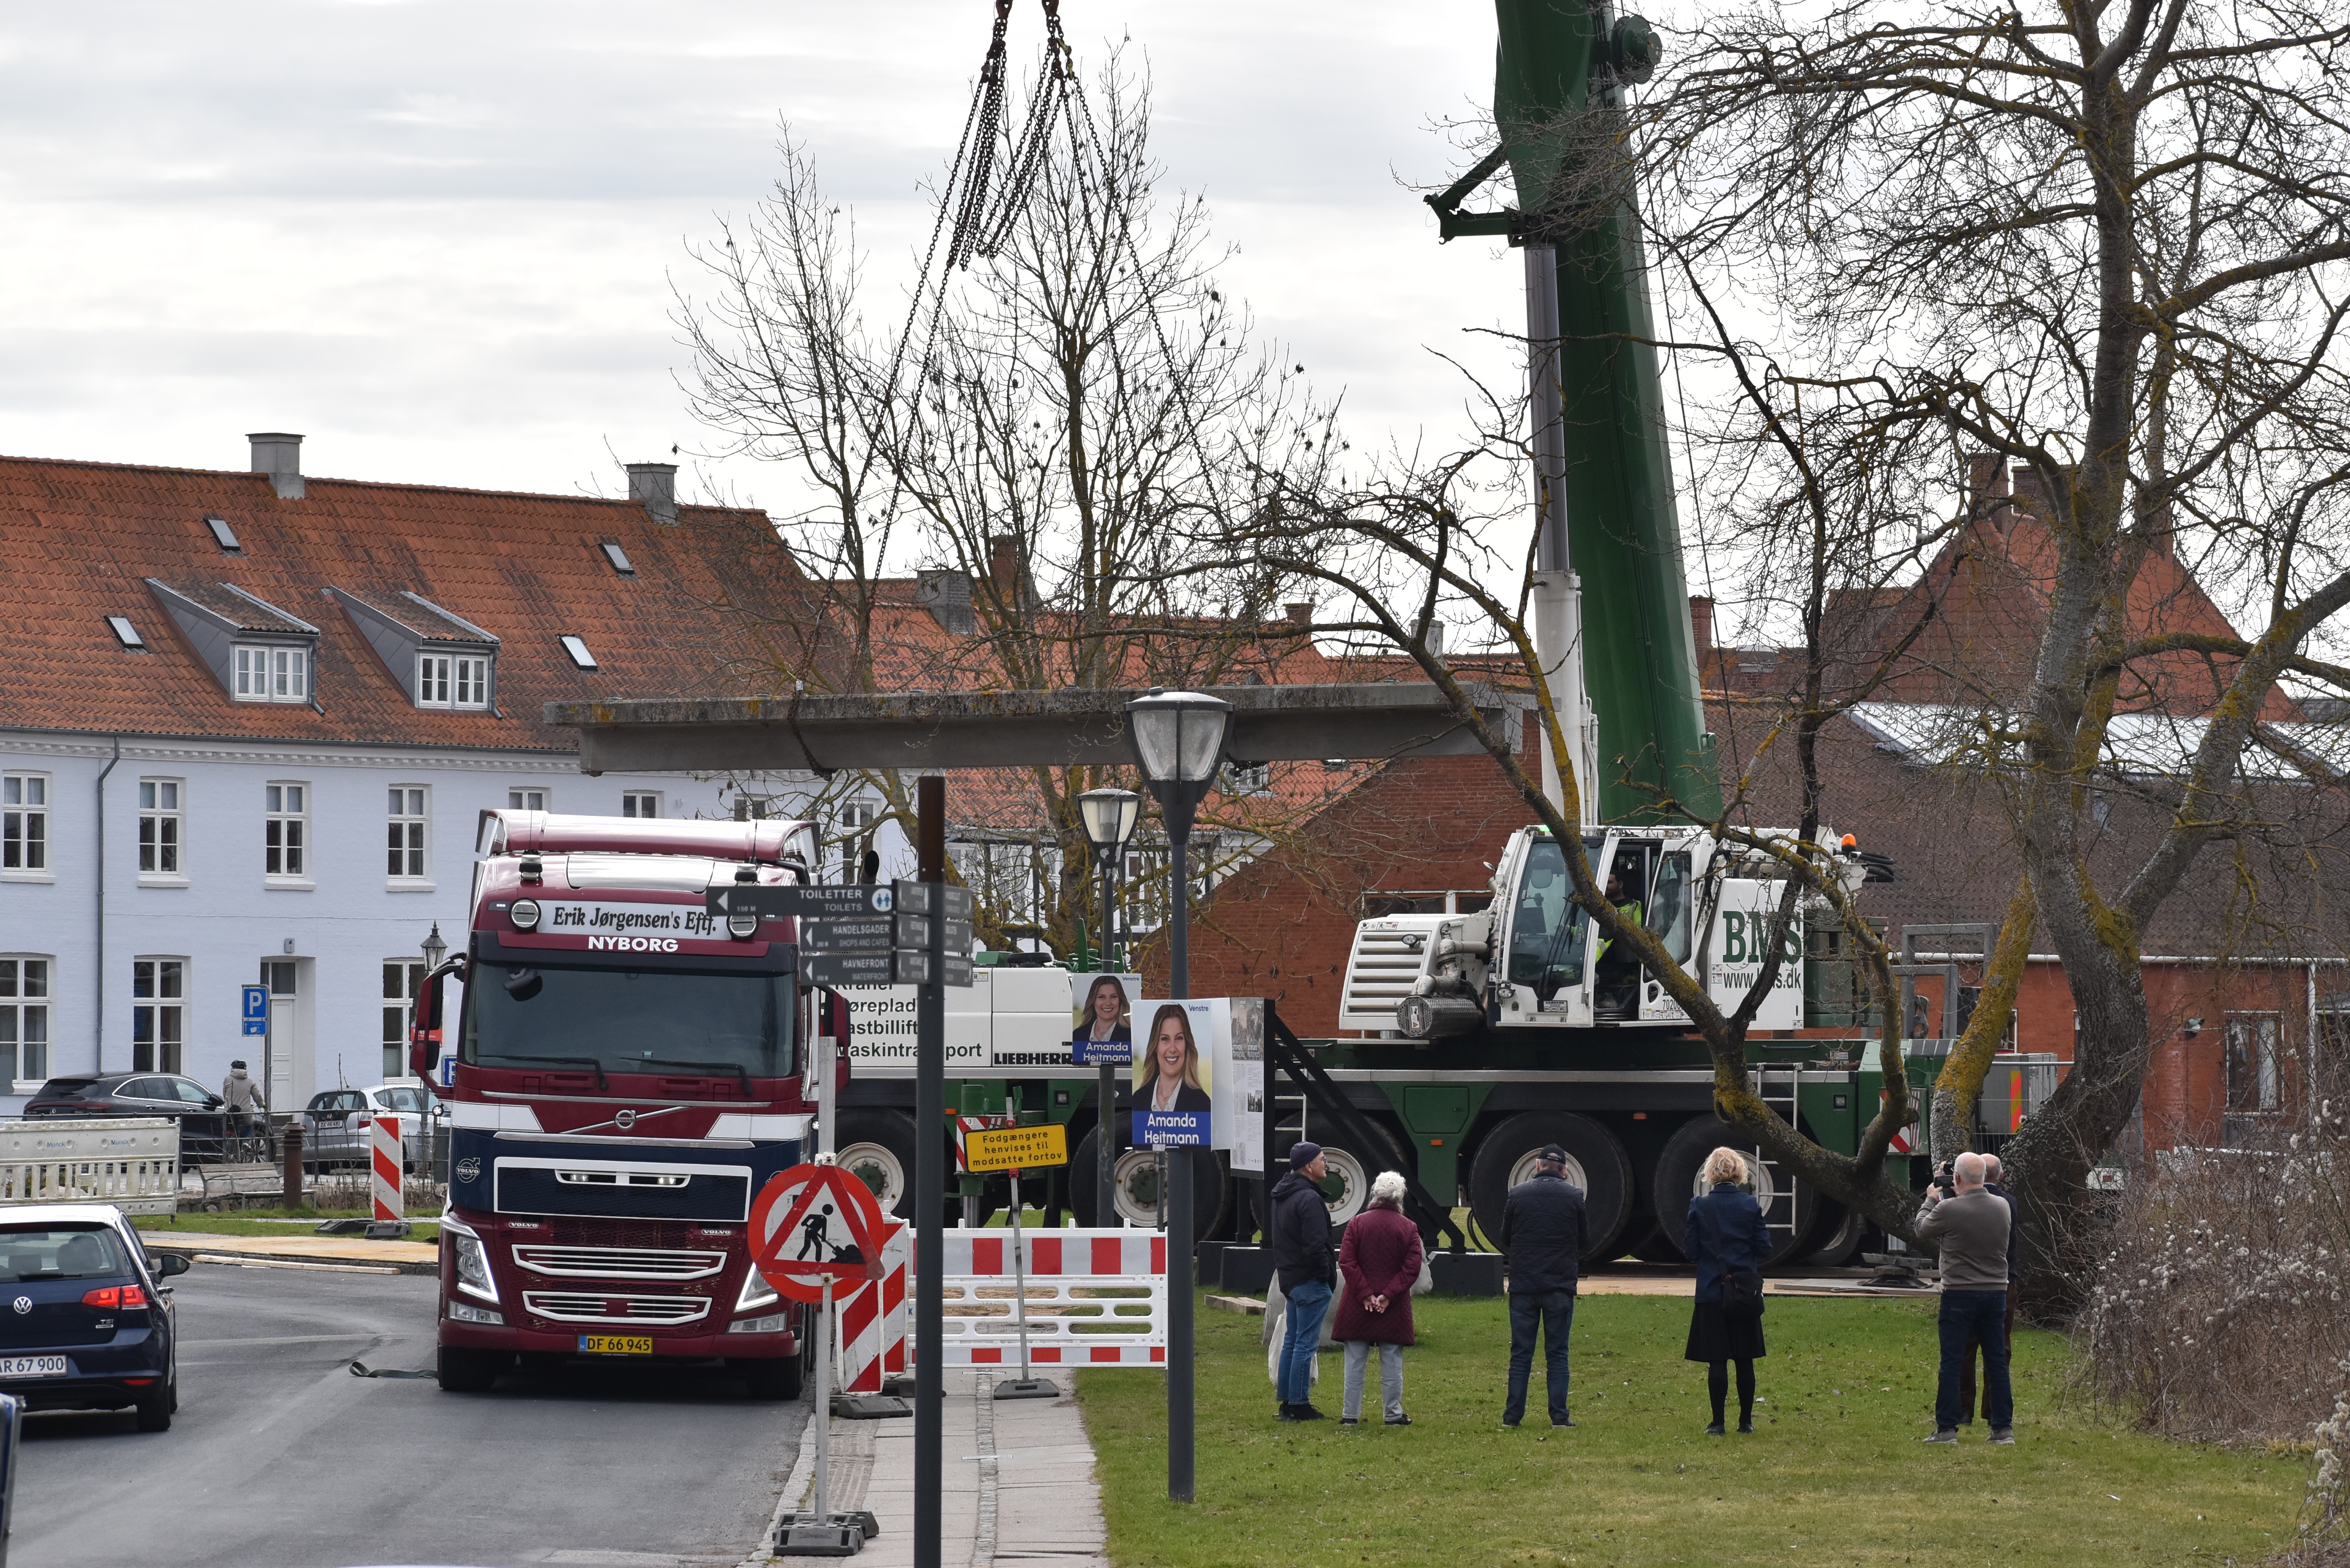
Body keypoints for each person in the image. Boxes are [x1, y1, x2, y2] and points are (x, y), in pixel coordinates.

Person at [1916, 1149, 2016, 1444]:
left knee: (1953, 1360)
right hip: (1996, 1291)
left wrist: (1932, 1197)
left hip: (1958, 1292)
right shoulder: (2002, 1207)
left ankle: (1947, 1428)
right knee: (1996, 1360)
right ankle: (2002, 1428)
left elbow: (1922, 1229)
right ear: (1985, 1177)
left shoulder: (1949, 1209)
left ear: (1956, 1178)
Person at [1684, 1146, 1772, 1434]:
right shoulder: (1751, 1206)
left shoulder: (1699, 1206)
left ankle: (1717, 1422)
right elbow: (1764, 1248)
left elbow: (1691, 1250)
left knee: (1717, 1359)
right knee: (1745, 1359)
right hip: (1744, 1292)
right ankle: (1746, 1422)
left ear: (1710, 1173)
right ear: (1739, 1173)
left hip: (1712, 1289)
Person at [1499, 1142, 1587, 1428]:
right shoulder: (1574, 1196)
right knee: (1558, 1353)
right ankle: (1559, 1416)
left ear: (1537, 1167)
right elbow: (1584, 1240)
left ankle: (1513, 1416)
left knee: (1521, 1353)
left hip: (1524, 1284)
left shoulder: (1517, 1194)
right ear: (1564, 1170)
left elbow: (1505, 1237)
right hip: (1559, 1284)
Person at [1333, 1170, 1423, 1426]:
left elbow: (1347, 1261)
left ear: (1375, 1193)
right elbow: (1412, 1267)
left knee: (1354, 1364)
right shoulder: (1409, 1228)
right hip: (1393, 1307)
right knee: (1392, 1362)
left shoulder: (1357, 1223)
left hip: (1357, 1304)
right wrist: (1387, 1296)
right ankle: (1393, 1414)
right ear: (1400, 1197)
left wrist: (1365, 1294)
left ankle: (1350, 1415)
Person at [1269, 1141, 1335, 1421]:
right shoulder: (1308, 1199)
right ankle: (1298, 1404)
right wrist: (1325, 1277)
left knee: (1292, 1342)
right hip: (1309, 1281)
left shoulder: (1283, 1195)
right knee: (1305, 1345)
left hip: (1291, 1278)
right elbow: (1315, 1246)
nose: (1326, 1164)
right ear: (1309, 1166)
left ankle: (1287, 1402)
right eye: (1322, 1159)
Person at [1957, 1152, 2022, 1425]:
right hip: (2005, 1283)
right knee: (1998, 1349)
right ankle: (1994, 1409)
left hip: (1969, 1285)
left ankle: (1963, 1408)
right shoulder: (2009, 1203)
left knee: (1965, 1349)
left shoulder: (1961, 1204)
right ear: (2000, 1175)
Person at [1136, 1004, 1211, 1114]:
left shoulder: (1201, 1104)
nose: (1172, 1049)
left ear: (1186, 1045)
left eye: (1179, 1038)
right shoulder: (1138, 1100)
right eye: (1165, 1039)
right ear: (1155, 1045)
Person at [1593, 864, 1646, 1017]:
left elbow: (1638, 931)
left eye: (1610, 882)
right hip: (1598, 965)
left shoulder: (1634, 906)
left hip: (1623, 963)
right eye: (1605, 883)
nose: (1607, 886)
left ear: (1621, 884)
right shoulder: (1597, 906)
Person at [1072, 975, 1132, 1050]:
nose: (1108, 1003)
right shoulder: (1078, 1035)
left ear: (1120, 1001)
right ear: (1093, 1001)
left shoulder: (1130, 1036)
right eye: (1101, 997)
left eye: (1113, 997)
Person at [220, 1059, 266, 1138]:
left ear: (233, 1068)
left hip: (230, 1110)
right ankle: (247, 1141)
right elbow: (257, 1096)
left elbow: (225, 1094)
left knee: (229, 1127)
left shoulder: (228, 1079)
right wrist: (262, 1105)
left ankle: (228, 1143)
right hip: (245, 1111)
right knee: (250, 1123)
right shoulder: (250, 1081)